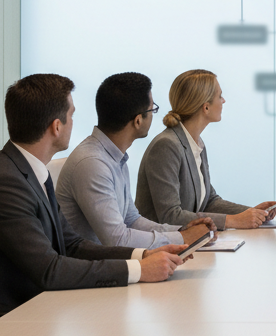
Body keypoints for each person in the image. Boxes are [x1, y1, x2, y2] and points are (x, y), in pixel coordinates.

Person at [0, 74, 191, 336]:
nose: (75, 122)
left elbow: (72, 245)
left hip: (27, 313)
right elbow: (50, 270)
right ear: (57, 127)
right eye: (71, 114)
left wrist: (143, 254)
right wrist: (140, 270)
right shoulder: (4, 184)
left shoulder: (31, 172)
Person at [57, 72, 215, 250]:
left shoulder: (114, 156)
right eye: (152, 109)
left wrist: (182, 229)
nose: (155, 115)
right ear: (138, 120)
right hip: (92, 270)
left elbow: (131, 220)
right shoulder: (92, 163)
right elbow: (117, 240)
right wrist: (180, 237)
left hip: (108, 264)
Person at [136, 69, 276, 230]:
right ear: (206, 107)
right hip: (161, 246)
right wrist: (232, 221)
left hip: (186, 243)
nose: (223, 101)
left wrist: (252, 213)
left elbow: (210, 201)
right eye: (219, 96)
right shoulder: (166, 146)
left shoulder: (196, 143)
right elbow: (170, 216)